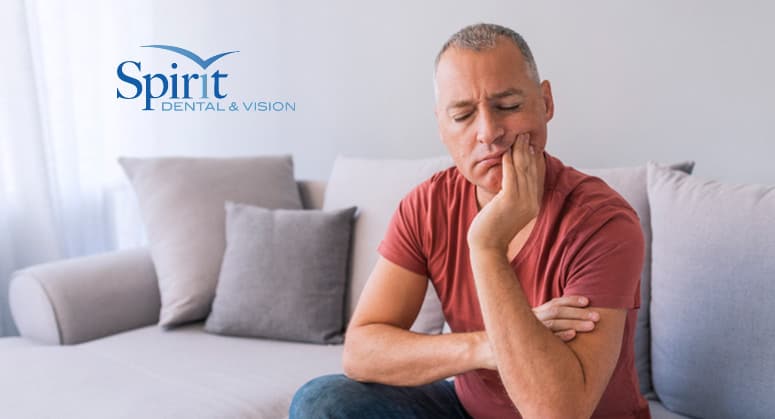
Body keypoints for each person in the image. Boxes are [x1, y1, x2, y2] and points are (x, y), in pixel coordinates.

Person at [290, 22, 650, 419]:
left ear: (545, 102)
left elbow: (557, 412)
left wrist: (487, 245)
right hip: (468, 410)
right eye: (462, 115)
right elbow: (361, 351)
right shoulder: (427, 205)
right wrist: (487, 347)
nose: (489, 133)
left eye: (508, 107)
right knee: (322, 402)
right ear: (441, 125)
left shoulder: (602, 221)